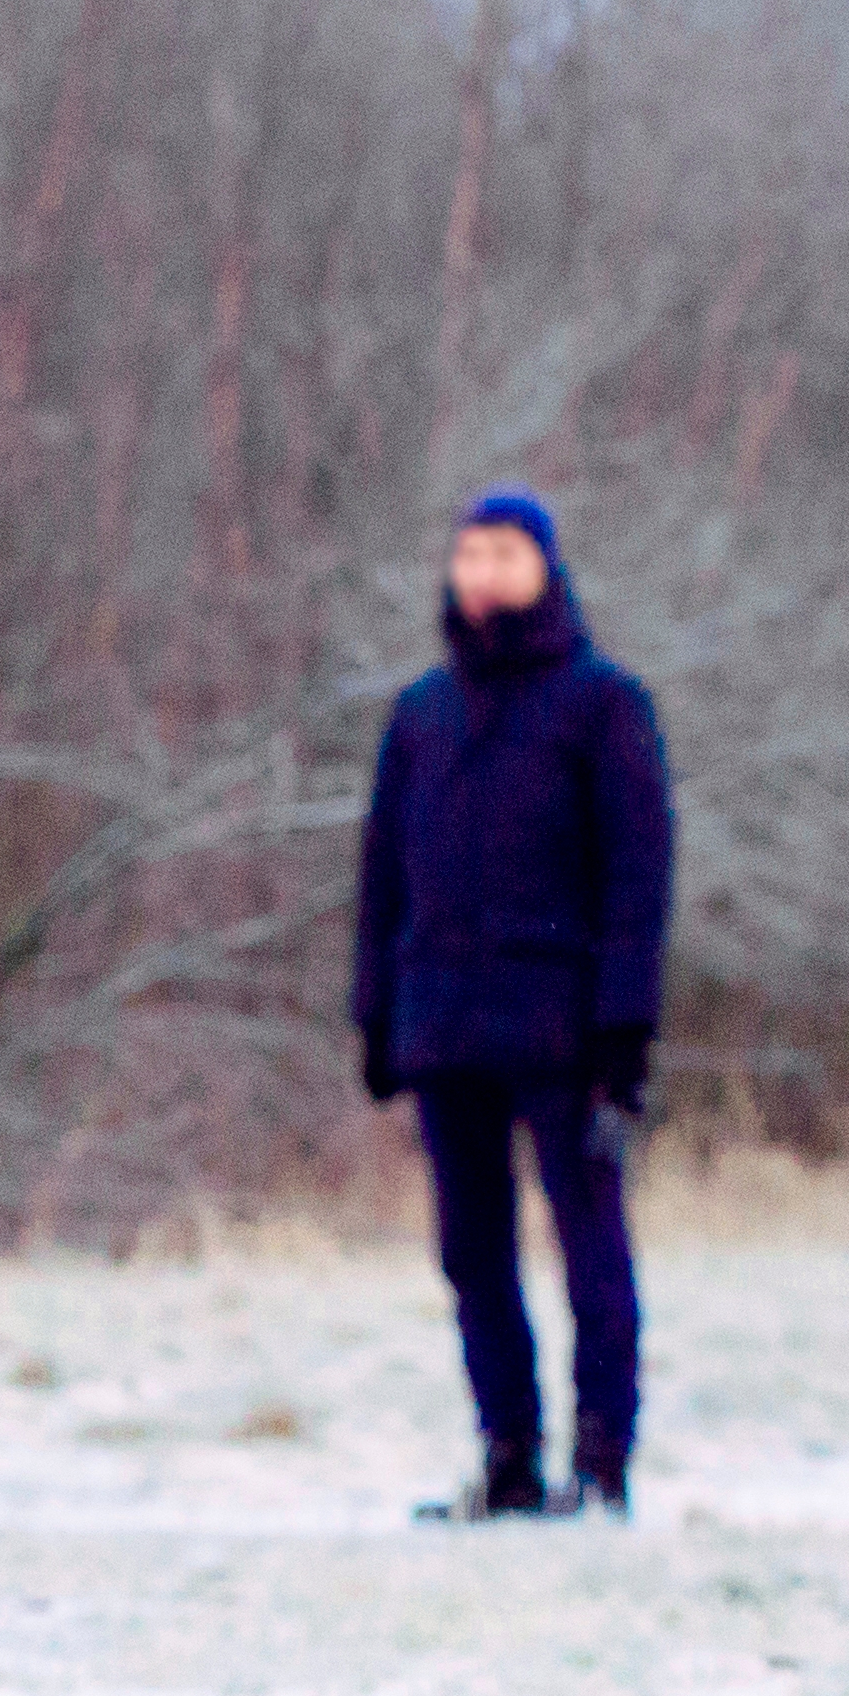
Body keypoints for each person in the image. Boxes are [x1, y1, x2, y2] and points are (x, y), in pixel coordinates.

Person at [350, 487, 676, 1521]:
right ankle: (507, 1460)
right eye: (468, 554)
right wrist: (376, 1016)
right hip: (443, 1026)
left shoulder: (602, 703)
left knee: (589, 1249)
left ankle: (601, 1464)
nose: (482, 572)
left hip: (564, 1027)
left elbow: (638, 872)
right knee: (472, 1256)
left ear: (544, 568)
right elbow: (381, 878)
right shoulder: (421, 716)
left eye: (503, 553)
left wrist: (625, 1026)